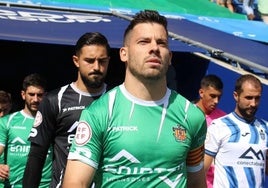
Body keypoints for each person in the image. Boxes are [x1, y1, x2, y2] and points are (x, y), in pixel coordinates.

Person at [63, 10, 207, 188]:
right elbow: (75, 182)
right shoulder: (99, 113)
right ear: (124, 53)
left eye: (161, 43)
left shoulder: (191, 116)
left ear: (169, 57)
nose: (154, 48)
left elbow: (196, 182)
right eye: (143, 41)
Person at [22, 32, 111, 188]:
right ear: (76, 61)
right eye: (89, 61)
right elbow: (37, 155)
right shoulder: (54, 100)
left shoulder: (117, 99)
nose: (97, 67)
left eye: (102, 61)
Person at [204, 74, 268, 188]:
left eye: (257, 98)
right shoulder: (219, 126)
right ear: (236, 96)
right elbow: (201, 170)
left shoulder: (266, 127)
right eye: (248, 98)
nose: (253, 103)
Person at [0, 73, 52, 187]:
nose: (35, 99)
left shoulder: (53, 122)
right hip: (15, 185)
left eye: (40, 95)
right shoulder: (7, 121)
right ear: (23, 95)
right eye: (31, 94)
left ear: (46, 95)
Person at [194, 74, 226, 188]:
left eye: (219, 97)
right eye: (212, 96)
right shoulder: (186, 114)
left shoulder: (224, 119)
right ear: (201, 93)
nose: (216, 101)